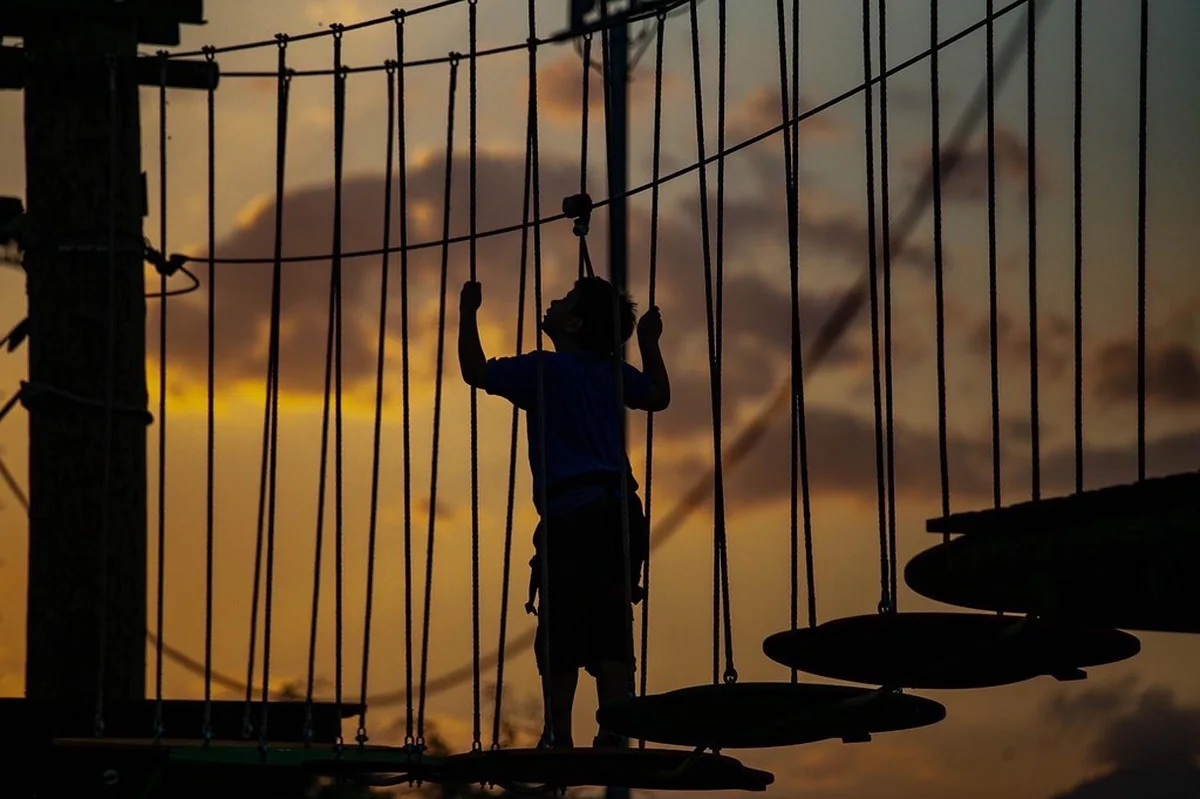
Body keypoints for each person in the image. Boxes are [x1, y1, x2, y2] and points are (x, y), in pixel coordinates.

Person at [458, 275, 670, 749]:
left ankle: (557, 731)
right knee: (611, 620)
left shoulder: (544, 370)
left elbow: (475, 371)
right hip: (618, 513)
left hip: (572, 516)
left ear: (573, 323)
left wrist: (468, 313)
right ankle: (615, 728)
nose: (551, 300)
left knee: (560, 626)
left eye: (565, 300)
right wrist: (650, 344)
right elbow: (658, 395)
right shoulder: (613, 371)